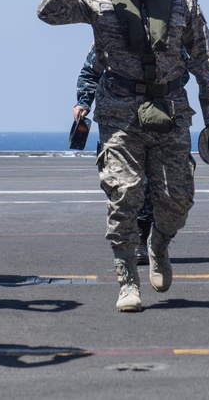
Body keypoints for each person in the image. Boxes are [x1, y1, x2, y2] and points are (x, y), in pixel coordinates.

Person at [38, 0, 209, 313]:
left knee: (177, 199)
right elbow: (49, 11)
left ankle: (159, 244)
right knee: (124, 193)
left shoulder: (183, 1)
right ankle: (127, 278)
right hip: (119, 111)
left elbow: (206, 62)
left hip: (171, 108)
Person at [74, 44, 155, 266]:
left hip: (153, 114)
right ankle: (126, 240)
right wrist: (83, 101)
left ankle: (142, 236)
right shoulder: (106, 29)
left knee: (147, 183)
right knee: (118, 182)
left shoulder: (162, 28)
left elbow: (181, 70)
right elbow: (90, 70)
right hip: (115, 117)